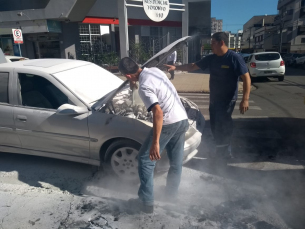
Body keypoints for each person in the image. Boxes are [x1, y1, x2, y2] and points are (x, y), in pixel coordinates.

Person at [165, 32, 251, 164]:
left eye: (213, 43)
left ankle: (225, 154)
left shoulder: (234, 58)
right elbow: (193, 66)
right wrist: (176, 67)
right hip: (214, 99)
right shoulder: (212, 58)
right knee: (215, 126)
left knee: (223, 126)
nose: (211, 46)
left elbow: (246, 78)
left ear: (221, 43)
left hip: (228, 100)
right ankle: (220, 150)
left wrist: (245, 99)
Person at [118, 57, 189, 214]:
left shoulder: (144, 87)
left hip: (169, 123)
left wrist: (155, 143)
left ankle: (146, 202)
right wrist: (132, 82)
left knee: (144, 160)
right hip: (182, 119)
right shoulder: (154, 71)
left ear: (127, 75)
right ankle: (171, 196)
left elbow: (158, 112)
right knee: (176, 164)